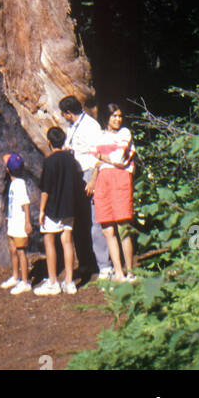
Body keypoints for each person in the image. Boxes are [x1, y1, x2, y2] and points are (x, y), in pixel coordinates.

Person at [58, 95, 113, 280]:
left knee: (95, 221)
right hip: (76, 175)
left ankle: (104, 265)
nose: (64, 117)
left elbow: (99, 156)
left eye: (64, 114)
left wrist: (93, 181)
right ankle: (86, 262)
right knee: (80, 221)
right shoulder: (71, 126)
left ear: (68, 113)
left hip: (90, 174)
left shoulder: (91, 126)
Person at [88, 103, 137, 283]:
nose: (117, 119)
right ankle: (118, 272)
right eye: (114, 116)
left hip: (120, 179)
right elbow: (90, 152)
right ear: (106, 117)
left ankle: (130, 271)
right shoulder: (99, 135)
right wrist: (101, 159)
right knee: (107, 229)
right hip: (103, 181)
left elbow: (118, 159)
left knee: (123, 227)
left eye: (119, 116)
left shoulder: (124, 133)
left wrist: (101, 157)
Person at [34, 126, 83, 296]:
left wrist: (41, 210)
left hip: (53, 208)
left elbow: (45, 189)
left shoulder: (49, 161)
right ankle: (69, 282)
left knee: (49, 243)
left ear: (49, 142)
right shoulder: (71, 159)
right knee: (67, 242)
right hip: (69, 206)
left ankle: (53, 282)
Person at [0, 152, 32, 296]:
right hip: (13, 222)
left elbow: (26, 204)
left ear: (8, 170)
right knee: (13, 250)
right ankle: (15, 276)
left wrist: (27, 222)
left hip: (20, 225)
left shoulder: (20, 184)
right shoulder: (14, 183)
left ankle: (25, 282)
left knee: (20, 252)